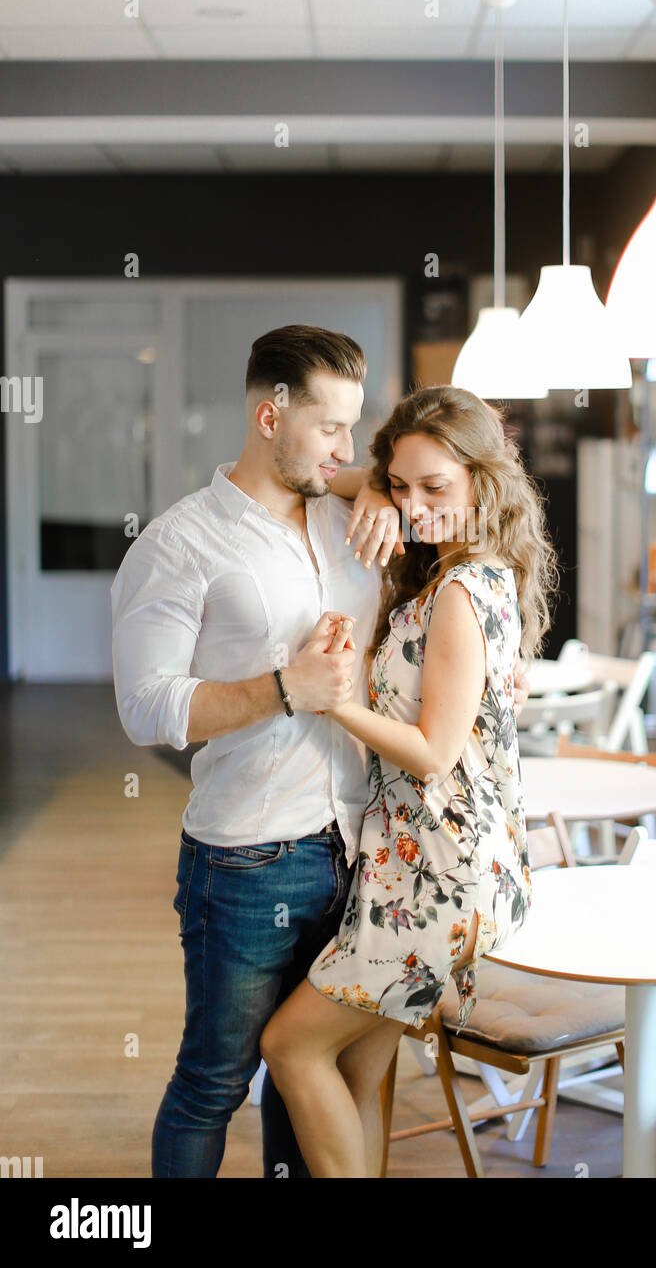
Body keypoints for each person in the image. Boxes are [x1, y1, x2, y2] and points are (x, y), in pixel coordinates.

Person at [110, 323, 408, 1178]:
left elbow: (418, 488)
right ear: (270, 416)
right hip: (245, 859)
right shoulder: (178, 545)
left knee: (299, 1071)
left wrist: (375, 486)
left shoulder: (349, 513)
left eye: (354, 428)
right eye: (330, 428)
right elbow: (147, 707)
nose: (346, 447)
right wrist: (286, 687)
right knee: (215, 1080)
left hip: (355, 847)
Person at [259, 384, 559, 1178]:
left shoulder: (458, 595)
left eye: (437, 487)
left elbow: (433, 752)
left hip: (436, 879)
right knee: (359, 1071)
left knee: (288, 1048)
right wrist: (387, 494)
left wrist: (338, 703)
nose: (416, 504)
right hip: (431, 866)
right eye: (403, 483)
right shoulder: (484, 570)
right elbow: (337, 477)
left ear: (481, 484)